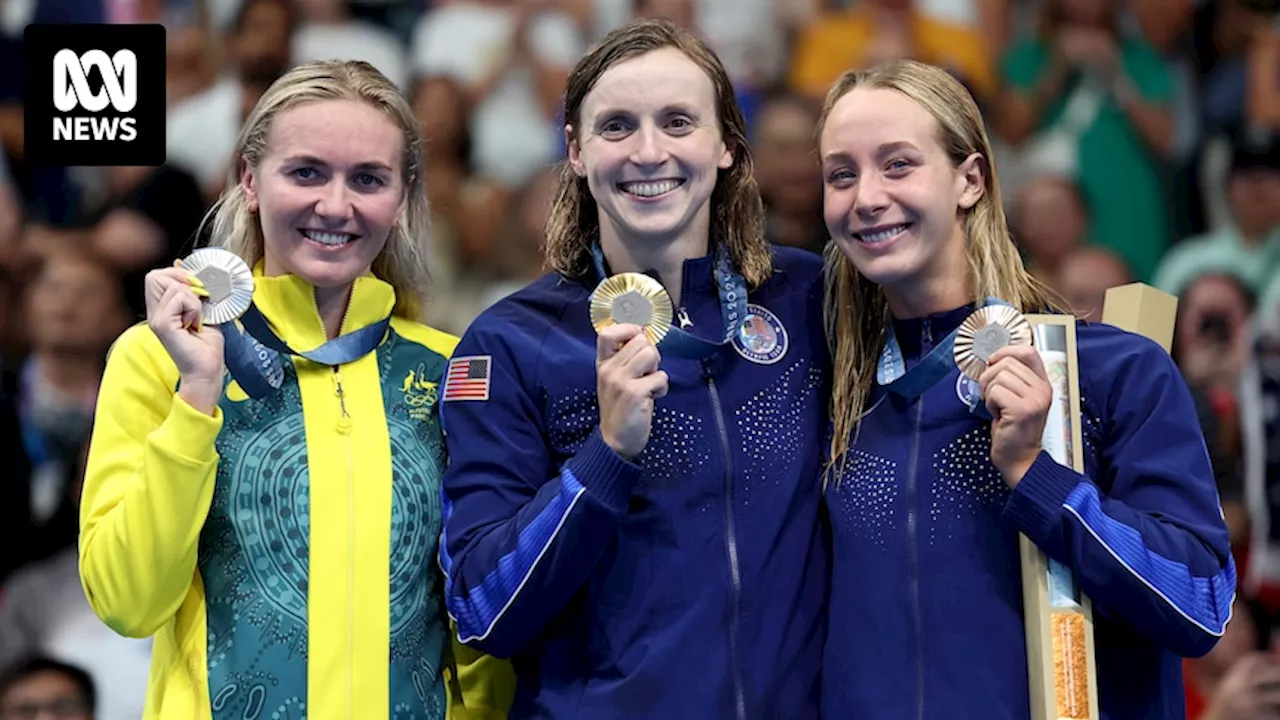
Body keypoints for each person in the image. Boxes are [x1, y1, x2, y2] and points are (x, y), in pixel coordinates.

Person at [77, 60, 508, 719]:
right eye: (306, 172)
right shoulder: (158, 357)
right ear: (249, 180)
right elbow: (128, 602)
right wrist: (197, 396)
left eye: (368, 178)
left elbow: (477, 625)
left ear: (402, 197)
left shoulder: (449, 371)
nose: (336, 205)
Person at [816, 59, 1235, 718]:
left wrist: (1036, 476)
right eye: (842, 174)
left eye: (898, 165)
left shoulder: (1108, 370)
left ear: (970, 179)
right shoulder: (837, 390)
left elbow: (1201, 602)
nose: (866, 195)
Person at [438, 18, 830, 719]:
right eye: (617, 126)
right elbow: (481, 610)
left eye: (678, 122)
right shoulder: (510, 344)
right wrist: (606, 458)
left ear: (728, 147)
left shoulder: (810, 302)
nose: (650, 152)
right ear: (577, 151)